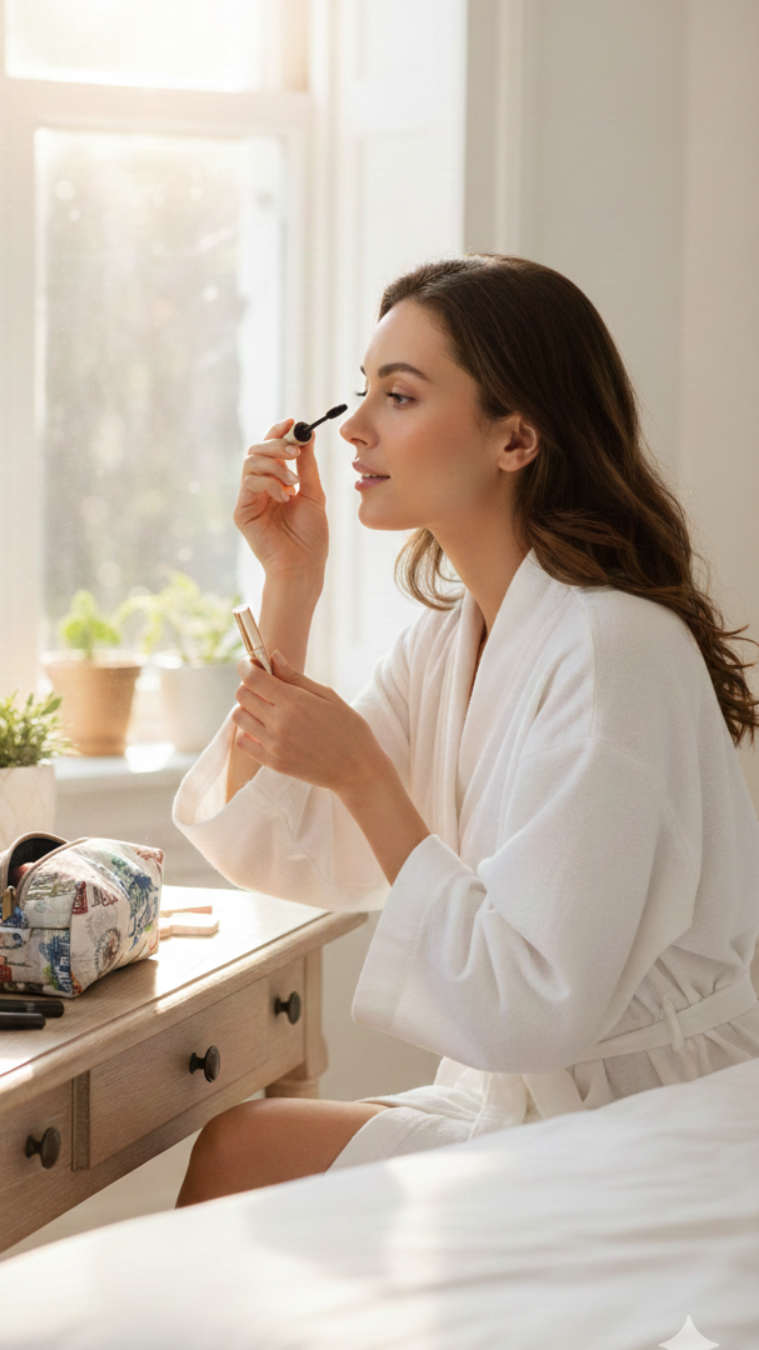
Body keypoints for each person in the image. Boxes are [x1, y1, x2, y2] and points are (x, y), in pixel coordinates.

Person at [171, 254, 759, 1207]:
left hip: (651, 1125)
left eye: (399, 396)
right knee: (243, 1149)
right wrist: (290, 584)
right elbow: (281, 843)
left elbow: (535, 1004)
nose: (354, 426)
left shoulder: (613, 650)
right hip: (536, 1101)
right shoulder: (450, 642)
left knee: (242, 1153)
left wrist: (366, 777)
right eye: (363, 390)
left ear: (515, 439)